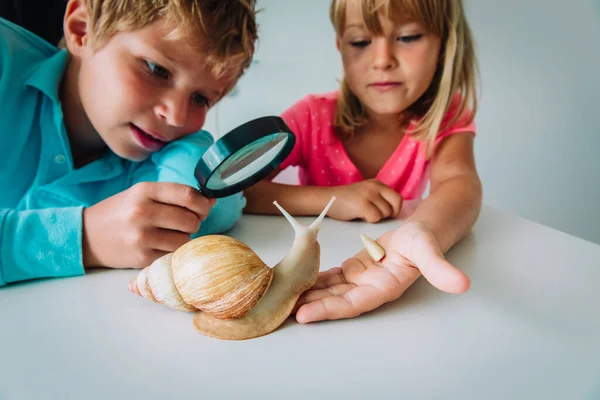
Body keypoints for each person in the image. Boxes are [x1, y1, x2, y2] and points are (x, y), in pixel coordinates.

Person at [244, 0, 482, 323]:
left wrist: (422, 231)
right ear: (340, 45)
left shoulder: (446, 117)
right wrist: (332, 200)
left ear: (445, 42)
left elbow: (459, 183)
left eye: (408, 37)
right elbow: (240, 191)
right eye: (361, 42)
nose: (382, 60)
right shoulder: (310, 118)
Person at [0, 0, 258, 287]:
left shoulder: (155, 156)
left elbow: (213, 211)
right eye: (156, 69)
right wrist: (84, 238)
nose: (175, 116)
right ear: (82, 30)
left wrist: (196, 141)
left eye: (201, 99)